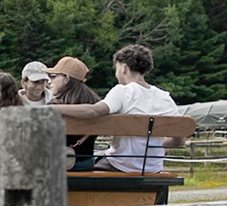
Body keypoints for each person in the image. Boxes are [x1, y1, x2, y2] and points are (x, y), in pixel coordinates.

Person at [51, 43, 184, 174]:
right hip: (153, 168)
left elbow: (94, 111)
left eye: (116, 68)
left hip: (120, 165)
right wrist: (153, 146)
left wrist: (53, 108)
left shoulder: (123, 92)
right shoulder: (165, 98)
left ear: (124, 68)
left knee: (91, 163)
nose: (116, 73)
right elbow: (178, 141)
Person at [47, 55, 101, 170]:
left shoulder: (54, 106)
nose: (49, 81)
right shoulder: (97, 104)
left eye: (53, 76)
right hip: (86, 163)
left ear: (66, 78)